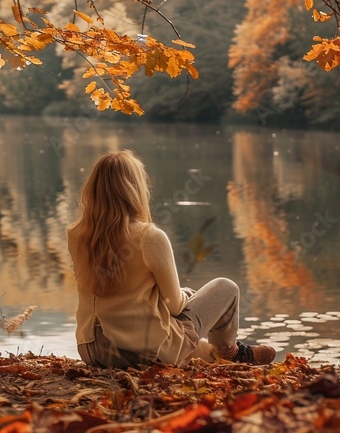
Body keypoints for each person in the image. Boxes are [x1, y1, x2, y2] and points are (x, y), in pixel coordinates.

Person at [67, 150, 276, 369]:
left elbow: (124, 292)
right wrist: (184, 295)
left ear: (93, 188)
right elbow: (175, 306)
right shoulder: (149, 236)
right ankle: (229, 351)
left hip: (92, 350)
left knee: (181, 335)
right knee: (226, 287)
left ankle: (221, 354)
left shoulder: (76, 234)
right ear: (135, 189)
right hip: (140, 353)